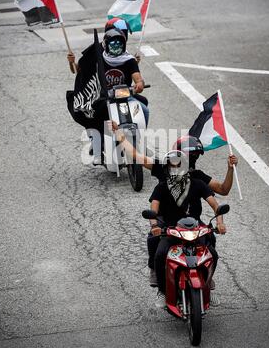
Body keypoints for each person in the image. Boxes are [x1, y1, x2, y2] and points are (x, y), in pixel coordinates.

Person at [110, 123, 237, 288]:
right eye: (188, 157)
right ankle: (155, 272)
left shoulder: (197, 178)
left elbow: (223, 190)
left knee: (211, 245)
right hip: (168, 224)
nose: (190, 162)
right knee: (154, 241)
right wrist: (120, 135)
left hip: (193, 225)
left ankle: (207, 276)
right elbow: (135, 156)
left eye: (194, 157)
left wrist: (230, 169)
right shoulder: (162, 171)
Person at [149, 150, 227, 308]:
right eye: (172, 166)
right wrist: (155, 226)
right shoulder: (161, 187)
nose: (176, 169)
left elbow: (215, 205)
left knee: (213, 254)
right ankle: (163, 292)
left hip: (196, 228)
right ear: (166, 168)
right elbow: (153, 210)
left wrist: (220, 222)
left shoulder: (198, 184)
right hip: (171, 230)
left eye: (179, 165)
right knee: (160, 255)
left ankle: (207, 286)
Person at [66, 25, 149, 165]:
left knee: (144, 108)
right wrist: (71, 62)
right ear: (106, 44)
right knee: (94, 115)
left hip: (124, 96)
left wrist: (139, 84)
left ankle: (138, 141)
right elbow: (79, 71)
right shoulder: (97, 59)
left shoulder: (129, 60)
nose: (116, 46)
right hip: (103, 98)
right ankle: (97, 147)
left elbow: (137, 77)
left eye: (119, 43)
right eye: (113, 43)